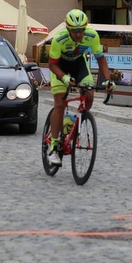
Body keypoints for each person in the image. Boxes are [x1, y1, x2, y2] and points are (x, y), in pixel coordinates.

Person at [46, 9, 113, 166]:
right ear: (68, 29)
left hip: (78, 64)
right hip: (59, 67)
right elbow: (51, 64)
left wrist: (108, 81)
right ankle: (54, 147)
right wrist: (64, 77)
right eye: (75, 31)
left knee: (89, 94)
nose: (79, 34)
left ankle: (75, 121)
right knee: (60, 104)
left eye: (81, 30)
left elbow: (101, 59)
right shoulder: (59, 38)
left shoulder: (92, 35)